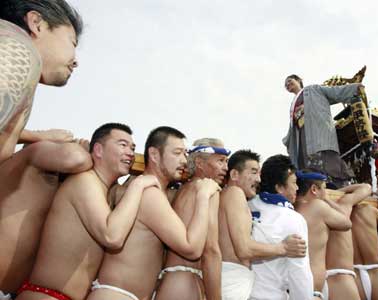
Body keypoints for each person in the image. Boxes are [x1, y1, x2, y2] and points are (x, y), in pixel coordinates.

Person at [15, 123, 160, 300]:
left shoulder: (105, 190)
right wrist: (138, 184)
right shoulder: (84, 182)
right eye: (123, 145)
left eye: (133, 148)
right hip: (47, 295)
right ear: (98, 150)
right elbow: (112, 236)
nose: (130, 152)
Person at [87, 127, 221, 300]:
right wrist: (203, 196)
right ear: (154, 155)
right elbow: (192, 248)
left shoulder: (148, 190)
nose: (184, 160)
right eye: (177, 153)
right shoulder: (149, 194)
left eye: (185, 154)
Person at [0, 138, 92, 297]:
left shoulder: (52, 189)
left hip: (14, 291)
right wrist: (81, 149)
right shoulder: (21, 160)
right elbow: (75, 159)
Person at [0, 0, 83, 164]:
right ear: (36, 24)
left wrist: (39, 136)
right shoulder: (19, 47)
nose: (75, 61)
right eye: (72, 42)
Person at [219, 150, 307, 300]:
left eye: (259, 173)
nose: (258, 179)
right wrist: (283, 248)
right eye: (253, 172)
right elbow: (244, 249)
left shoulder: (231, 198)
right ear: (234, 175)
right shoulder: (235, 193)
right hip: (233, 283)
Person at [156, 138, 228, 300]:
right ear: (199, 163)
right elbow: (211, 251)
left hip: (171, 281)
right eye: (221, 161)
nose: (226, 168)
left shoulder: (183, 190)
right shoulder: (208, 189)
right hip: (185, 283)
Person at [248, 154, 313, 300]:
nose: (297, 188)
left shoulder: (244, 207)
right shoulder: (292, 219)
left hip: (237, 293)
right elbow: (299, 272)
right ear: (279, 188)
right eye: (294, 183)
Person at [282, 74, 362, 187]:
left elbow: (334, 92)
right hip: (302, 134)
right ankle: (313, 185)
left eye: (290, 81)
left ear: (299, 80)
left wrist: (354, 89)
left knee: (324, 157)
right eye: (286, 84)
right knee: (306, 162)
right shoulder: (292, 105)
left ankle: (337, 184)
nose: (288, 84)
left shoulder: (313, 89)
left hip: (317, 130)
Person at [294, 170, 352, 300]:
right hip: (312, 290)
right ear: (314, 189)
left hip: (295, 288)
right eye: (324, 189)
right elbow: (346, 223)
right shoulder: (317, 206)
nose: (326, 193)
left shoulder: (290, 209)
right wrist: (327, 200)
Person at [324, 183, 371, 300]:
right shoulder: (343, 205)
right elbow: (366, 187)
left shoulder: (306, 208)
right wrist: (336, 193)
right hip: (342, 279)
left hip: (320, 281)